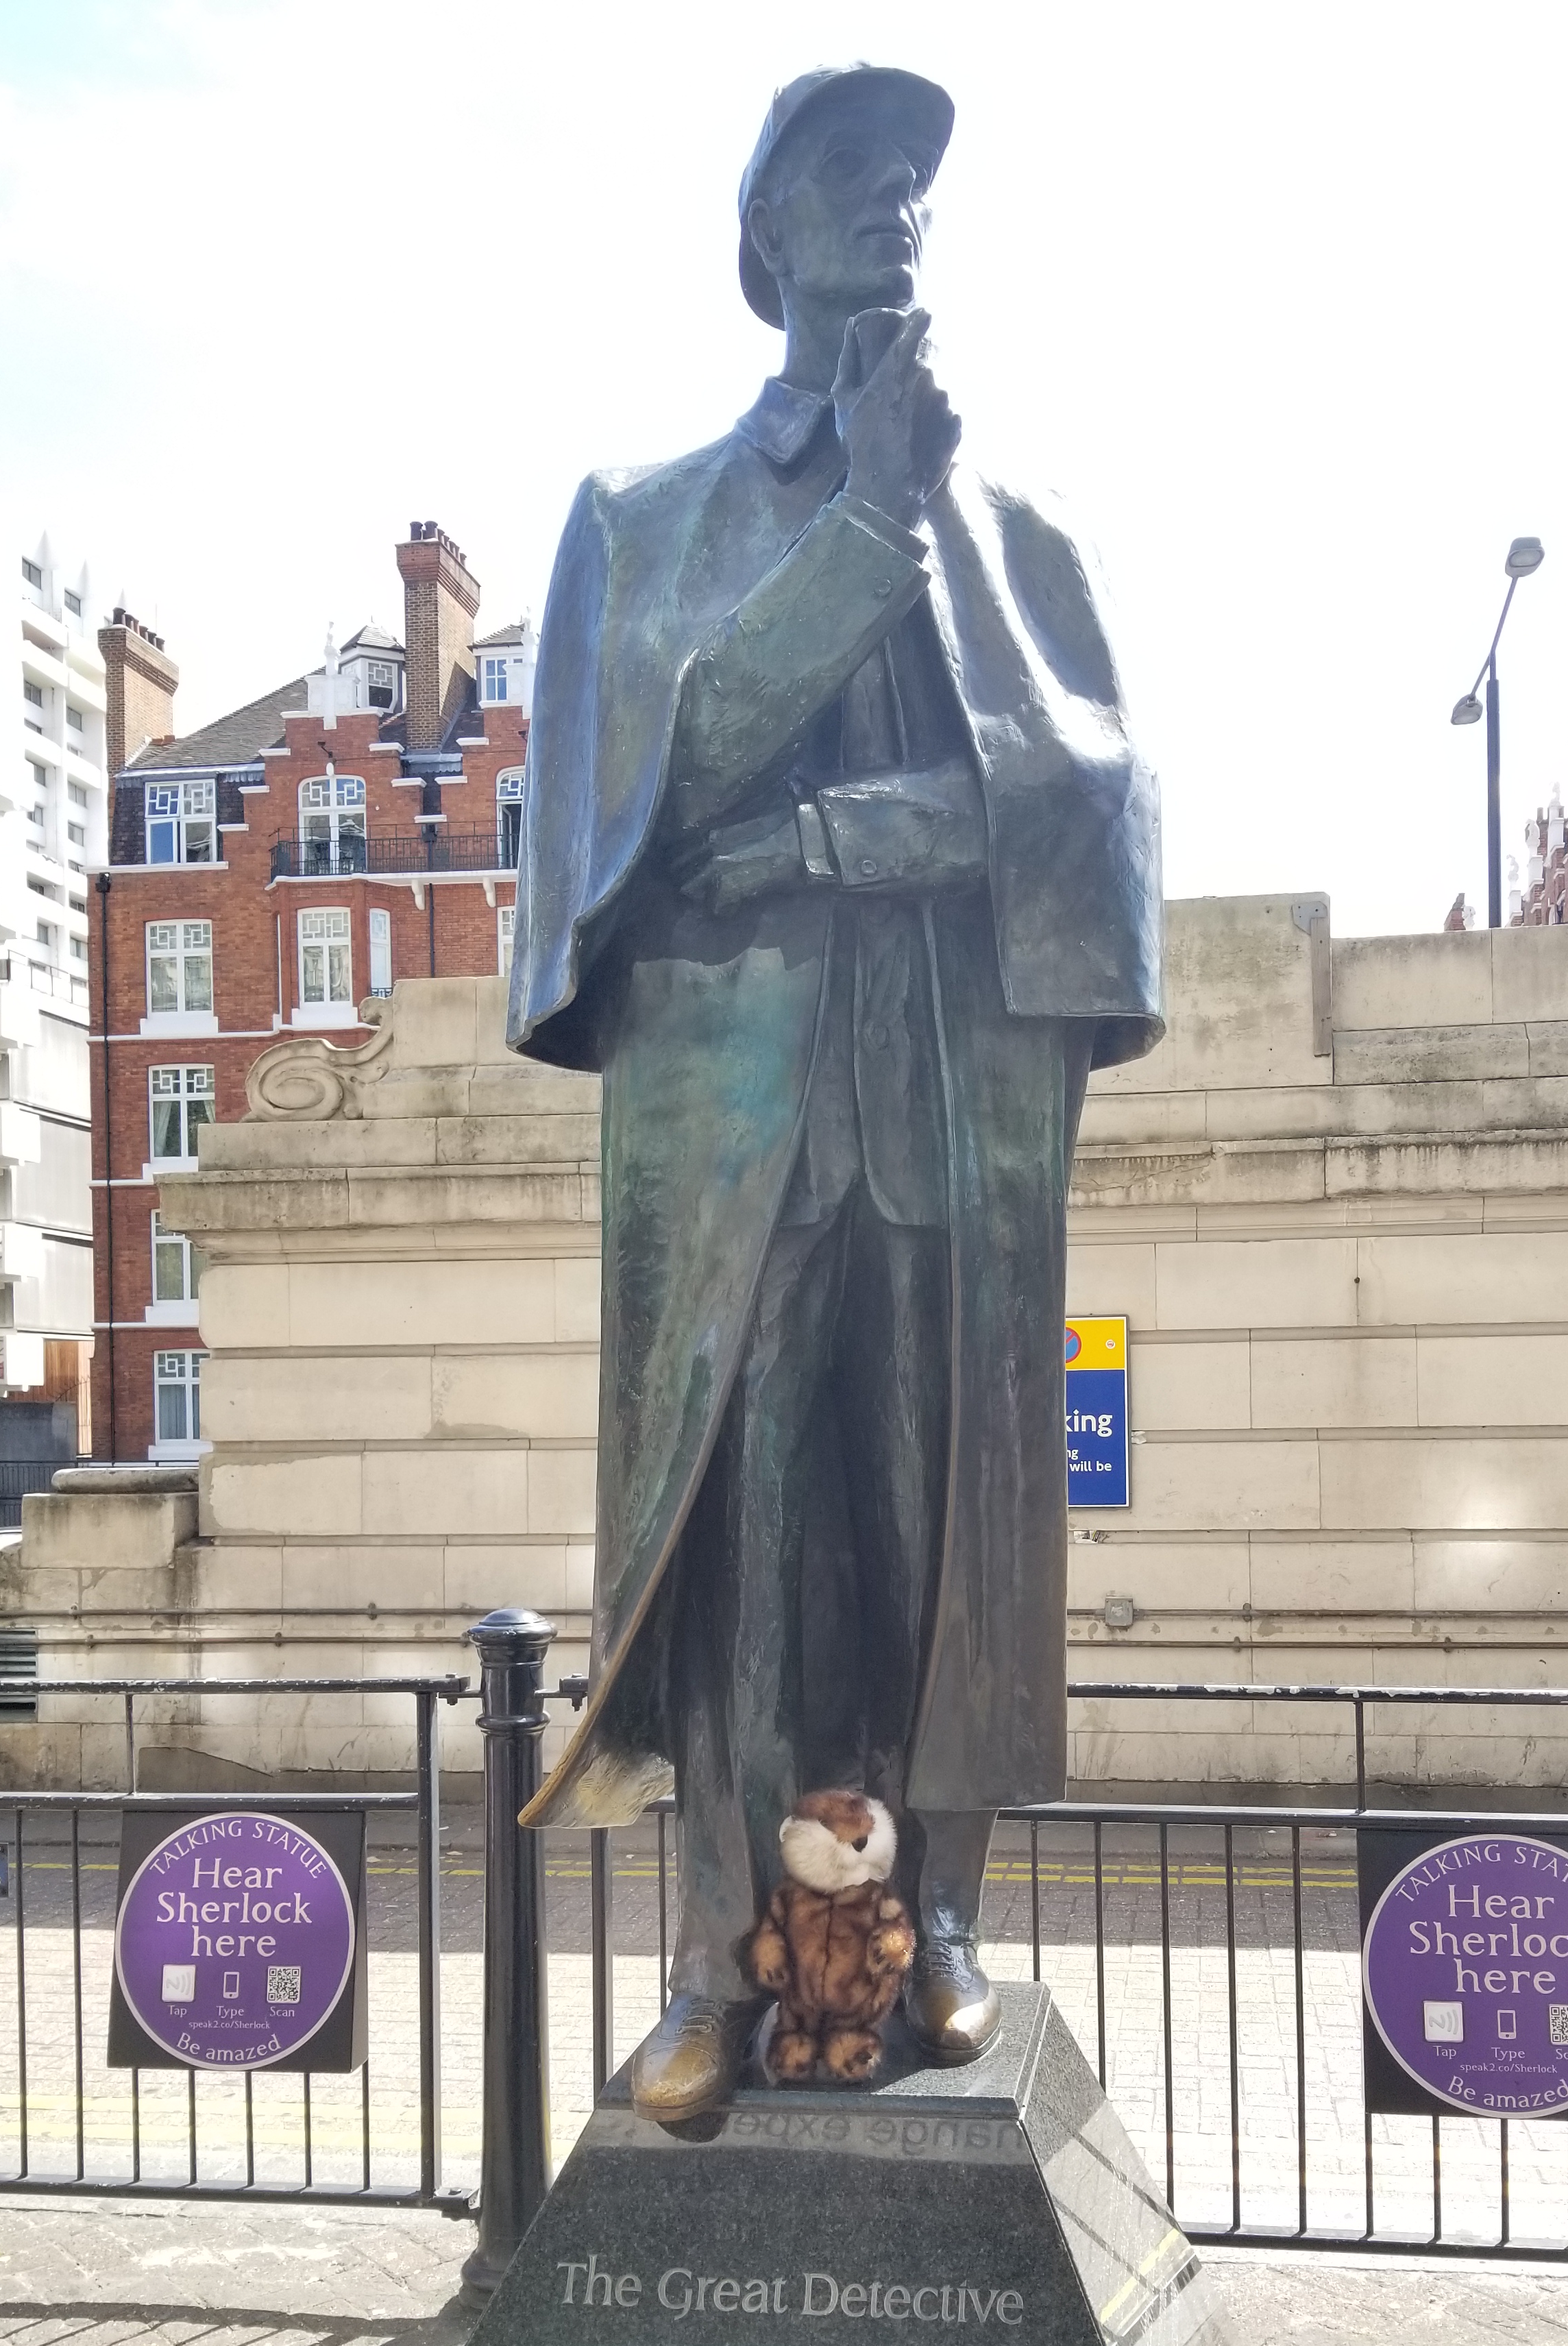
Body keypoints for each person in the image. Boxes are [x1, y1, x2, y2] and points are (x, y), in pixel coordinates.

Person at [509, 64, 1163, 2121]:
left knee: (942, 1530)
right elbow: (663, 782)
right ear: (765, 237)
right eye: (850, 181)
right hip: (746, 1134)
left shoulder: (1021, 541)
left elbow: (1087, 821)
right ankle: (718, 1962)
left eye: (913, 189)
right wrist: (870, 521)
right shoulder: (643, 525)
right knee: (747, 1560)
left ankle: (936, 1919)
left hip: (947, 1118)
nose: (894, 212)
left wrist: (836, 837)